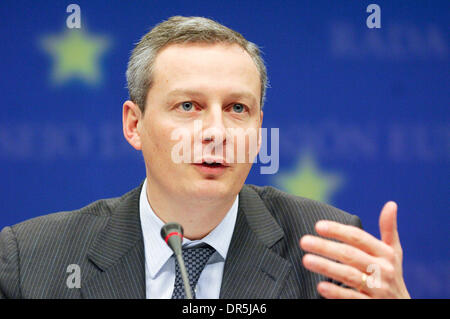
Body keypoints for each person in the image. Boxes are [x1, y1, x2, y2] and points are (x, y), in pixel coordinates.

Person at [0, 16, 410, 299]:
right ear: (133, 124)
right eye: (188, 106)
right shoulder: (31, 260)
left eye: (237, 109)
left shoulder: (326, 256)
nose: (216, 132)